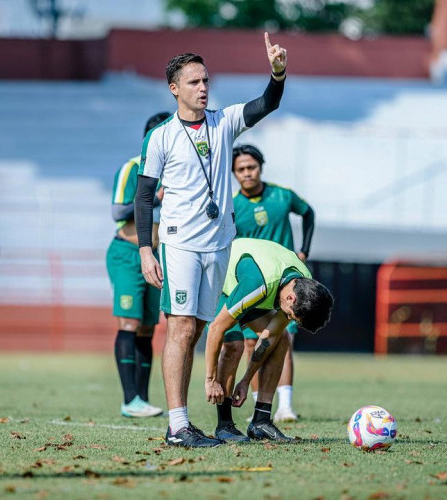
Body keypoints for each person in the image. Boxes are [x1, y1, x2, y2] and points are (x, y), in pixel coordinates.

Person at [135, 33, 288, 447]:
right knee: (181, 328)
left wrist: (277, 73)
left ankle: (185, 423)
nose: (204, 88)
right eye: (194, 82)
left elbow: (267, 103)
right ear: (174, 88)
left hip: (219, 243)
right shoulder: (161, 136)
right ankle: (177, 425)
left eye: (206, 81)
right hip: (179, 242)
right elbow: (145, 196)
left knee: (199, 327)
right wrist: (146, 249)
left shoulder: (224, 121)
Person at [204, 238, 333, 442]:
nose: (288, 318)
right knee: (234, 345)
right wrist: (210, 380)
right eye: (290, 315)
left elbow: (269, 336)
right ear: (291, 298)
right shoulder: (259, 286)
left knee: (282, 338)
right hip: (221, 280)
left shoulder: (303, 282)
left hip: (249, 283)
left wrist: (246, 380)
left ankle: (261, 421)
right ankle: (224, 425)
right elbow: (215, 329)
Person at [227, 144, 315, 423]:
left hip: (285, 286)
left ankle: (285, 406)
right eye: (240, 169)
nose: (247, 173)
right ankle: (257, 406)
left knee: (282, 341)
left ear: (260, 167)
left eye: (251, 167)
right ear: (234, 173)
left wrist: (304, 250)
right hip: (255, 285)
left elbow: (308, 213)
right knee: (252, 344)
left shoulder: (282, 195)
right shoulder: (232, 206)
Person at [107, 112, 171, 418]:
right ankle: (128, 398)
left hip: (158, 256)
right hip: (128, 253)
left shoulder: (177, 171)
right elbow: (118, 210)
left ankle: (142, 400)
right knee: (129, 324)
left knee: (148, 328)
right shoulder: (133, 167)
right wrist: (154, 196)